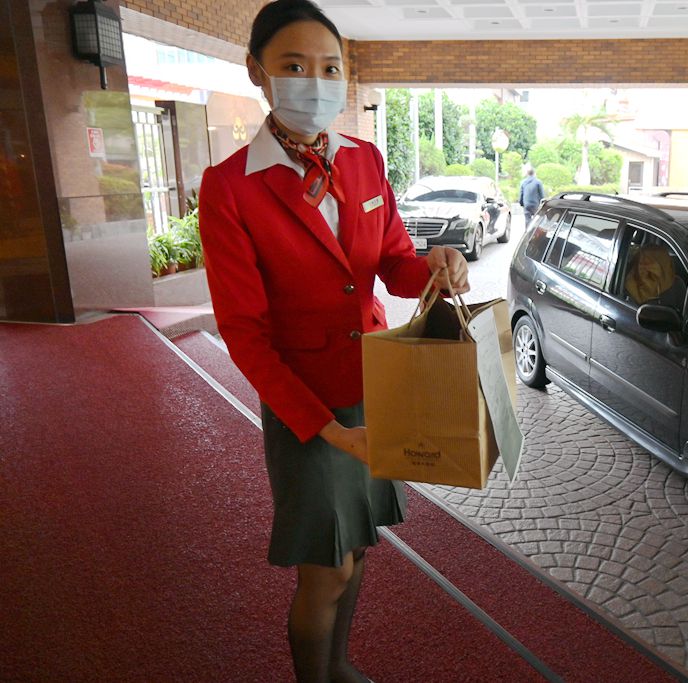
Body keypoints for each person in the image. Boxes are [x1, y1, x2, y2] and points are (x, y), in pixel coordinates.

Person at [197, 2, 469, 681]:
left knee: (360, 544)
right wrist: (328, 429)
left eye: (329, 68)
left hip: (376, 386)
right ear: (257, 72)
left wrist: (434, 263)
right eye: (293, 66)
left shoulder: (364, 160)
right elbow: (246, 334)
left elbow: (395, 264)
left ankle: (341, 663)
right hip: (305, 406)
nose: (313, 82)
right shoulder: (230, 187)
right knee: (327, 566)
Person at [624, 245, 687, 310]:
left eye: (648, 262)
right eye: (640, 262)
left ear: (663, 266)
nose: (642, 266)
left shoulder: (676, 285)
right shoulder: (632, 285)